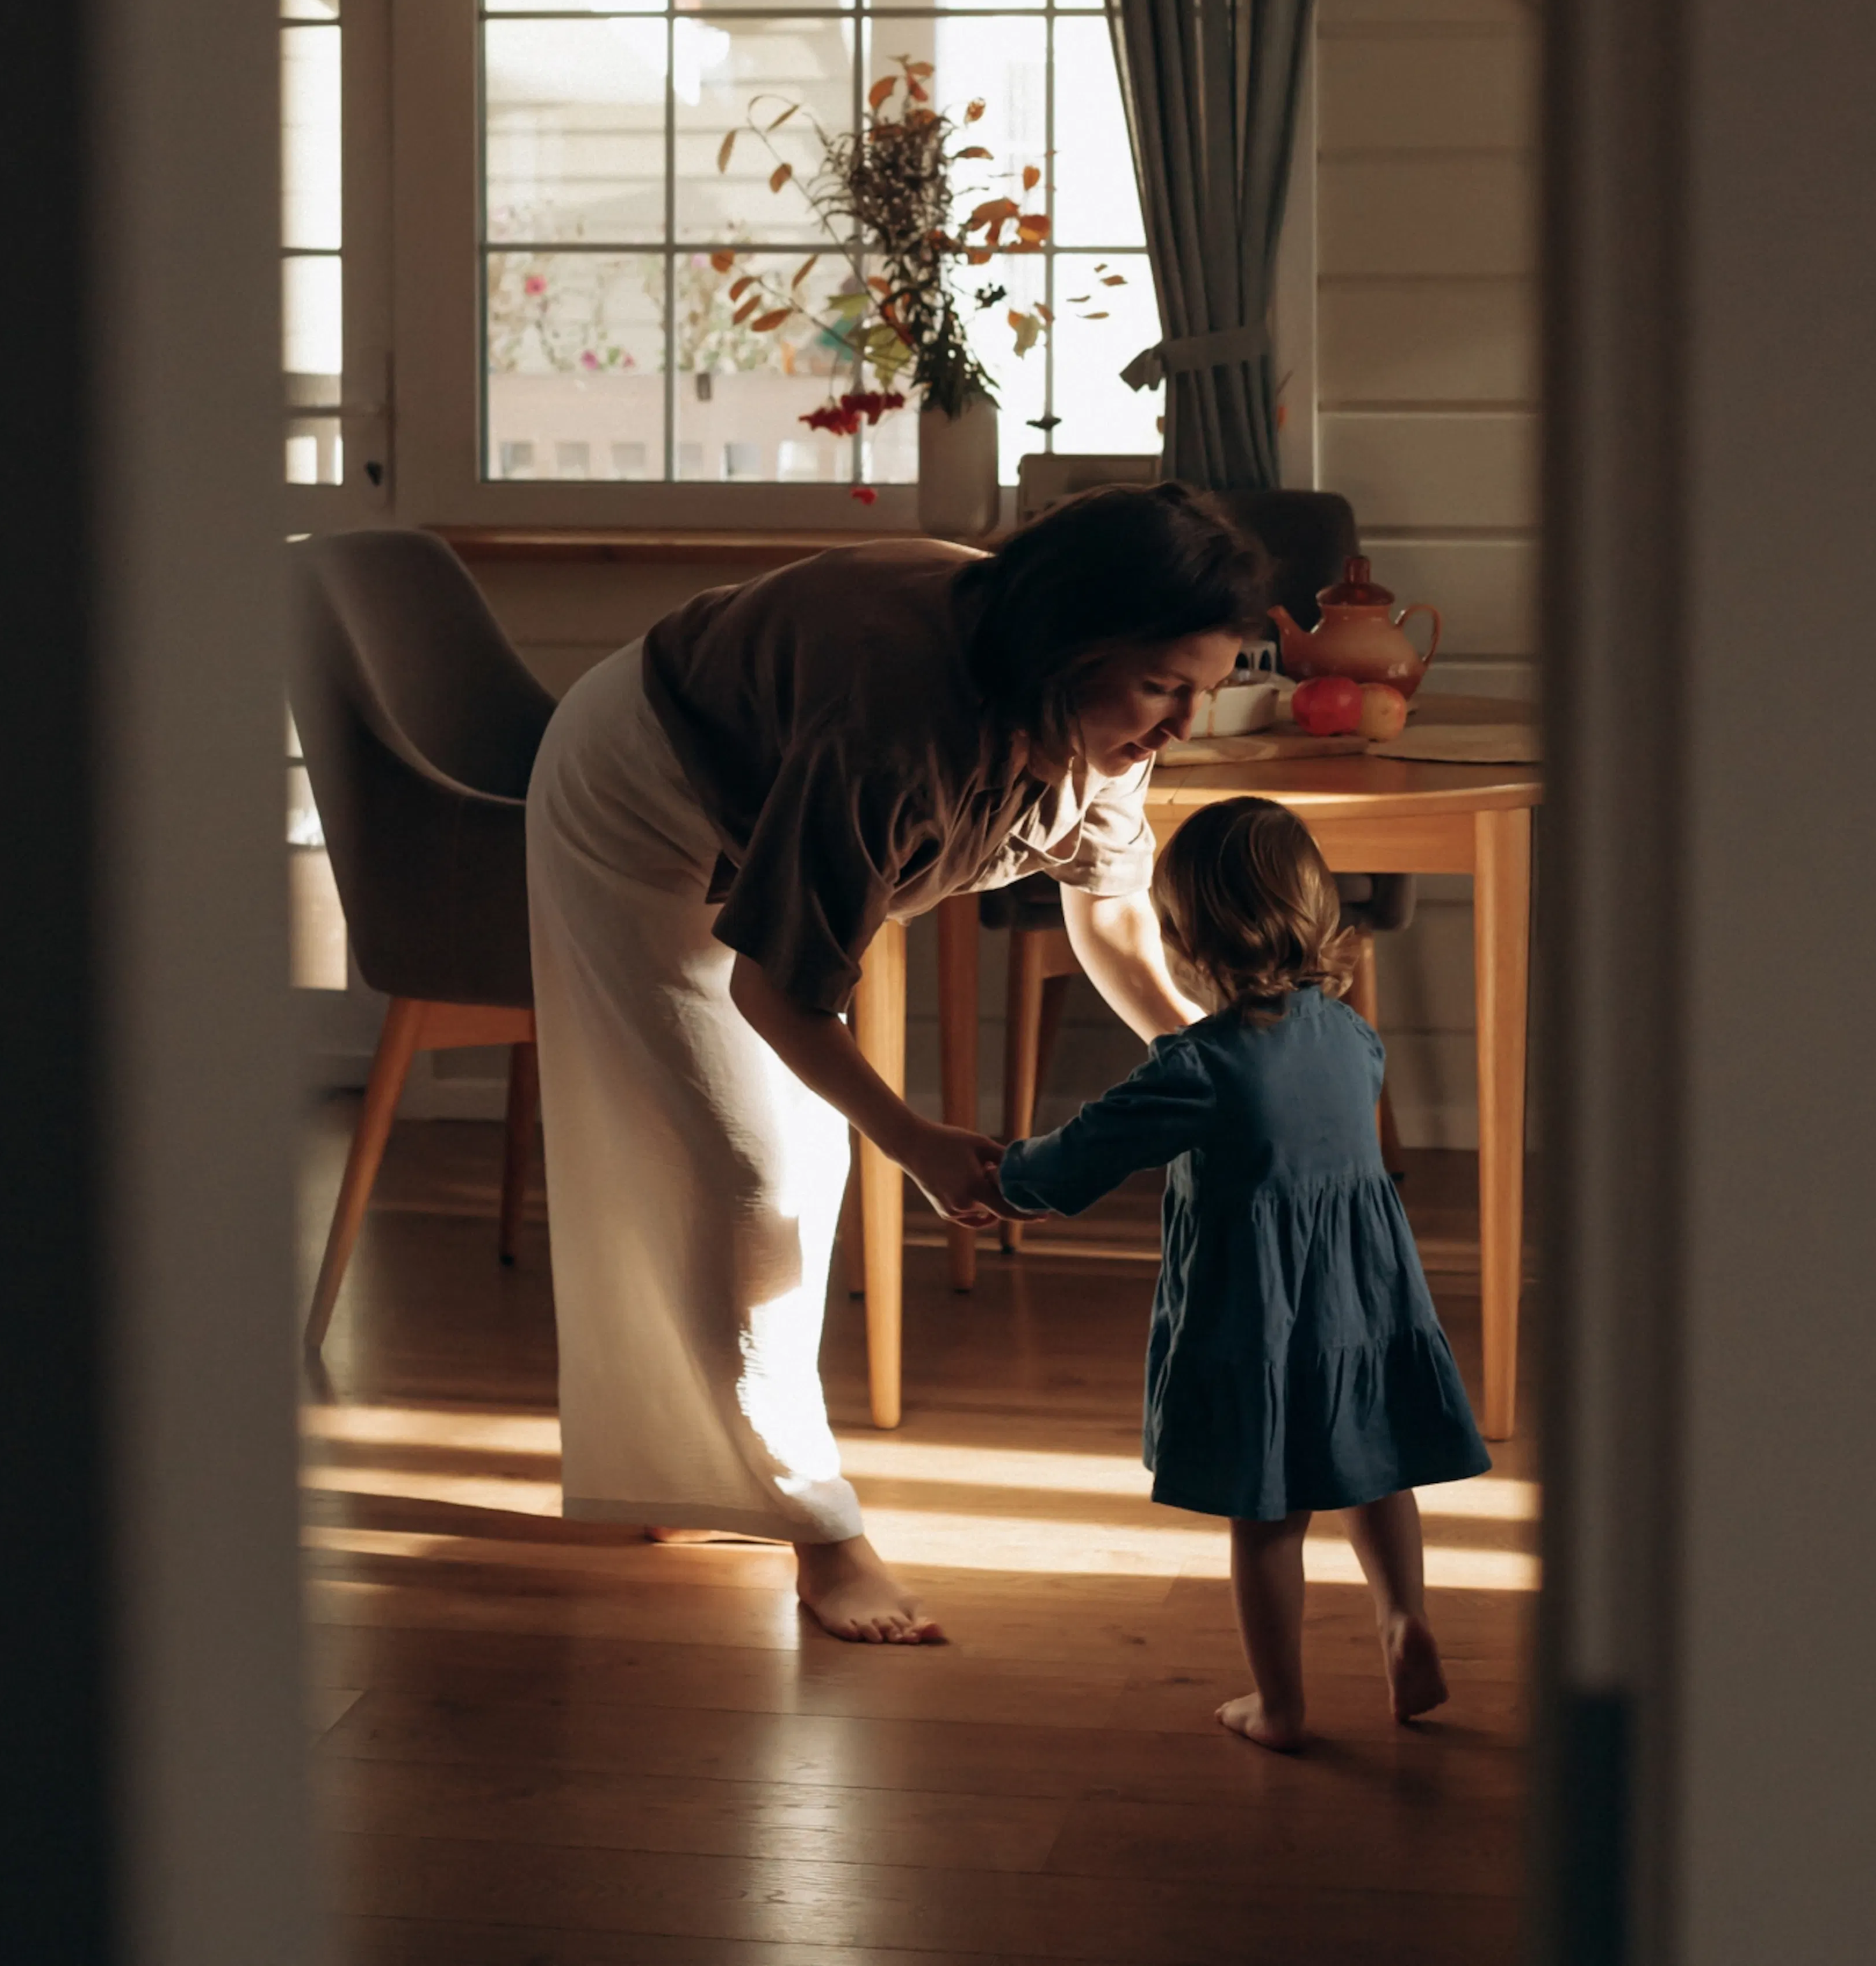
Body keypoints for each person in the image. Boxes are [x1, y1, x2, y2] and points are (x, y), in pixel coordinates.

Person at [525, 484, 1265, 1645]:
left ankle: (695, 1465)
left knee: (787, 1167)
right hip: (641, 799)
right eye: (1165, 687)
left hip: (768, 778)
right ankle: (824, 1541)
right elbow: (775, 986)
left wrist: (1206, 1055)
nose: (1181, 726)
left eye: (1203, 692)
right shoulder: (898, 730)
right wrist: (915, 1139)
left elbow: (1111, 915)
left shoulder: (1099, 713)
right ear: (1075, 649)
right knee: (750, 1177)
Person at [997, 796, 1492, 1743]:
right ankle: (1404, 1619)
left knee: (1269, 1513)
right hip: (1369, 1299)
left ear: (1181, 937)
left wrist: (1003, 1179)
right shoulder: (1353, 1036)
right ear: (1318, 912)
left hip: (1255, 1315)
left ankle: (1283, 1704)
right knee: (1380, 1467)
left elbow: (1084, 1154)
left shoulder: (1198, 1067)